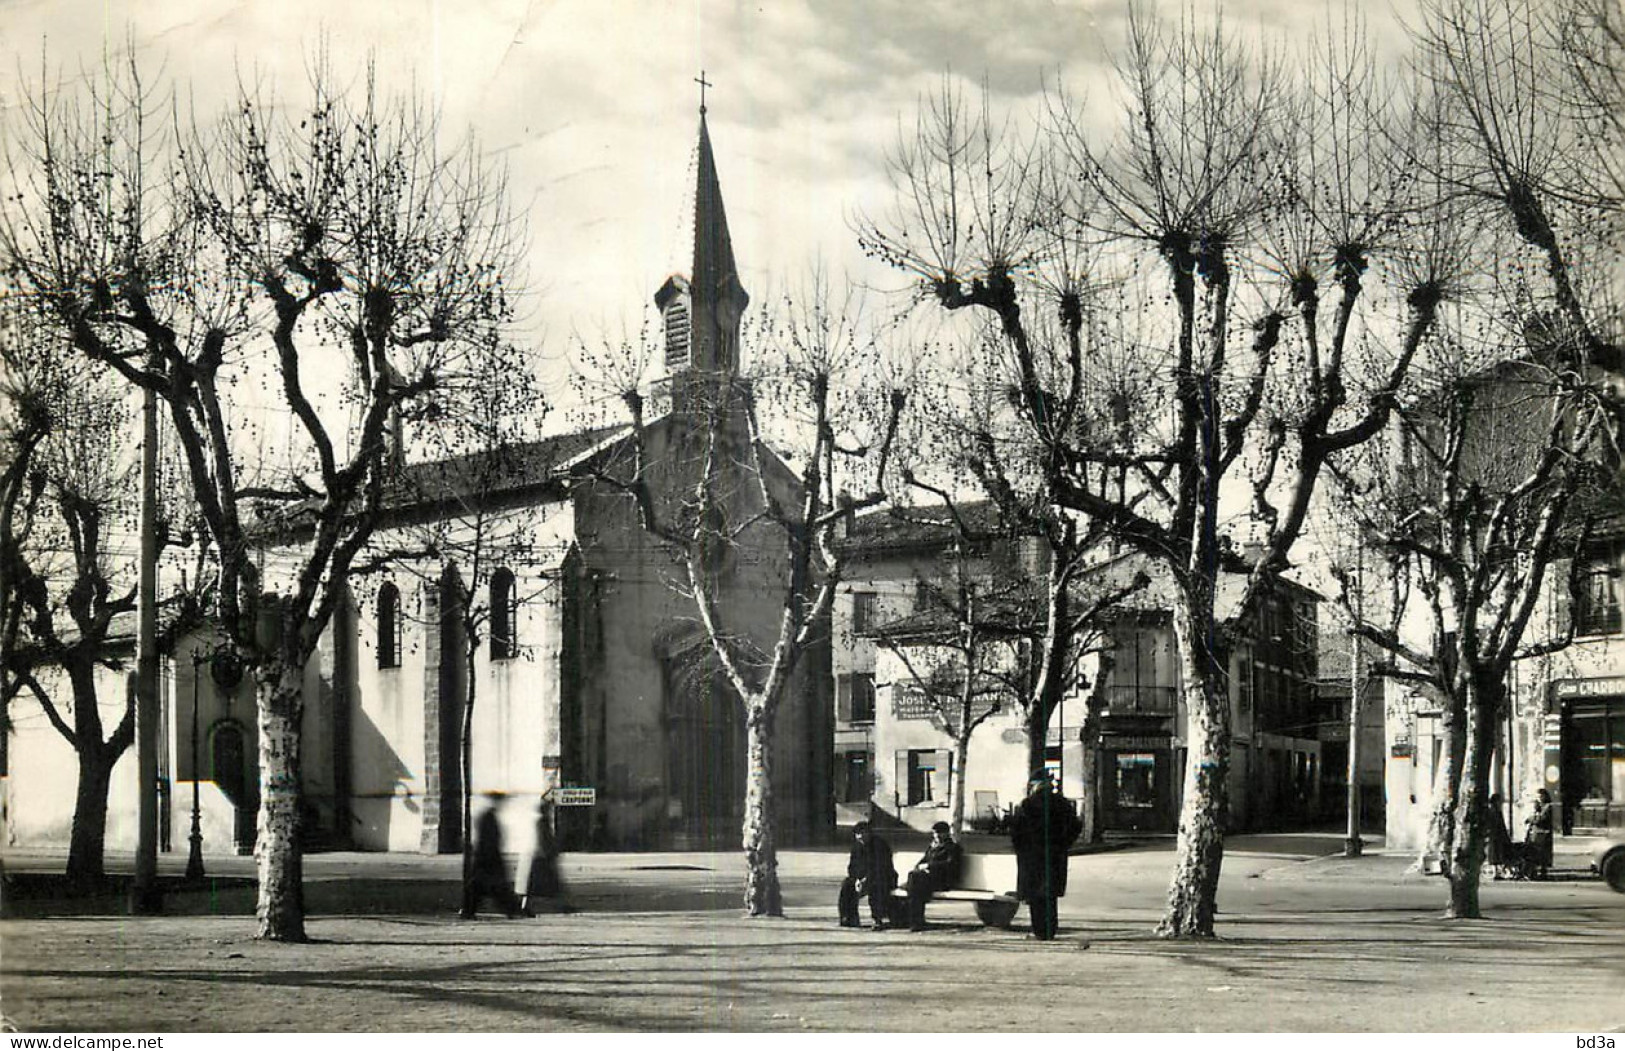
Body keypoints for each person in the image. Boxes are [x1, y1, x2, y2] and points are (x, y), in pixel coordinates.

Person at [1010, 770, 1083, 940]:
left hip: (1032, 857)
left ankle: (1039, 931)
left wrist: (1022, 848)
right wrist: (1064, 843)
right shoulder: (1062, 803)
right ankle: (1050, 930)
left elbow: (1016, 831)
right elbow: (1075, 826)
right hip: (1055, 855)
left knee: (1035, 896)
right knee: (1050, 895)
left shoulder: (1027, 805)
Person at [462, 792, 525, 919]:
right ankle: (512, 910)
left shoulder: (489, 816)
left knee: (482, 887)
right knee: (495, 886)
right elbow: (489, 840)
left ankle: (469, 911)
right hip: (488, 857)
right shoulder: (489, 817)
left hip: (486, 857)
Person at [904, 821, 963, 932]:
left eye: (939, 833)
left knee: (915, 884)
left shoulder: (953, 848)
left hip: (944, 880)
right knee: (914, 879)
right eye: (935, 833)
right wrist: (919, 866)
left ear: (947, 833)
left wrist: (929, 866)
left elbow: (950, 865)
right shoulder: (932, 847)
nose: (936, 836)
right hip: (929, 879)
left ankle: (916, 921)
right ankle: (916, 921)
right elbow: (923, 860)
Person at [837, 821, 897, 929]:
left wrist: (865, 879)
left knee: (876, 885)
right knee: (847, 885)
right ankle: (848, 917)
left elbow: (881, 867)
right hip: (862, 879)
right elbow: (852, 867)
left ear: (869, 833)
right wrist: (856, 880)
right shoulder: (856, 847)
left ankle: (878, 918)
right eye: (858, 834)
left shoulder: (880, 845)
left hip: (883, 877)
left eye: (863, 833)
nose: (860, 837)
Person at [523, 792, 573, 914]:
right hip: (543, 857)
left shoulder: (541, 821)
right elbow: (544, 839)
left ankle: (526, 906)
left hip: (541, 856)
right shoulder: (542, 822)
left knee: (536, 886)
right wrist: (550, 853)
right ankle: (562, 906)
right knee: (551, 885)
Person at [1524, 787, 1555, 879]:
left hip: (1543, 834)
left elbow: (1541, 819)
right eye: (1538, 797)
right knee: (1534, 853)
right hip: (1536, 834)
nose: (1539, 798)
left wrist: (1531, 819)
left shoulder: (1548, 806)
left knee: (1542, 854)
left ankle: (1543, 871)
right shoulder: (1539, 807)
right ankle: (1534, 871)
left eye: (1541, 796)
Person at [1486, 793, 1513, 880]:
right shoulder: (1493, 811)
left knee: (1497, 854)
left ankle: (1497, 872)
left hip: (1497, 835)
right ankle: (1495, 872)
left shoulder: (1496, 811)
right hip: (1494, 835)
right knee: (1495, 854)